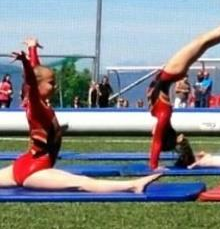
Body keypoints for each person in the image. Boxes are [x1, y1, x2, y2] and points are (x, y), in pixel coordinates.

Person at [0, 38, 160, 194]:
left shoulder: (34, 102)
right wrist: (25, 63)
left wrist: (32, 49)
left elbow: (36, 73)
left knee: (81, 183)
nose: (55, 86)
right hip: (35, 171)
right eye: (51, 83)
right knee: (82, 183)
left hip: (22, 164)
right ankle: (133, 185)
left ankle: (133, 185)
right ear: (38, 84)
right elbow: (32, 80)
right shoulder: (36, 106)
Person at [148, 12, 220, 169]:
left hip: (170, 73)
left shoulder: (160, 117)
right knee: (204, 40)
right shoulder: (162, 115)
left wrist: (178, 145)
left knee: (205, 42)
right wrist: (154, 166)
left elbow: (163, 137)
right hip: (171, 72)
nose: (152, 134)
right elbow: (158, 141)